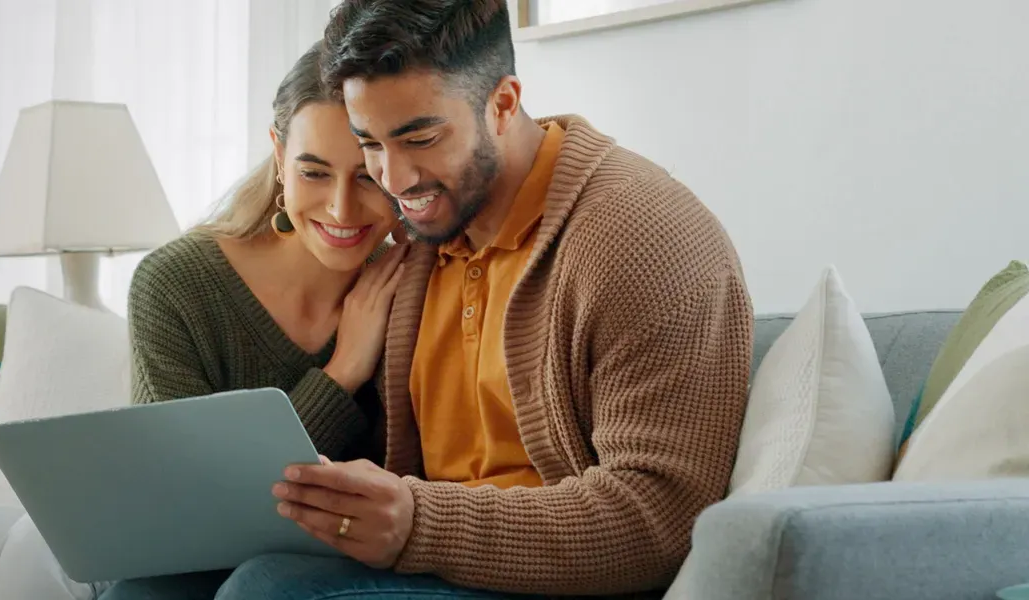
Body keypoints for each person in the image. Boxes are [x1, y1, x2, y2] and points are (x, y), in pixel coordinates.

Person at [104, 1, 755, 598]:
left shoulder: (638, 236)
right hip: (427, 565)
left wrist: (420, 523)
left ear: (503, 104)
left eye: (418, 139)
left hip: (560, 581)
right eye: (369, 143)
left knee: (269, 589)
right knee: (146, 590)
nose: (393, 179)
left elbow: (661, 519)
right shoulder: (420, 238)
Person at [0, 46, 412, 600]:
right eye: (314, 172)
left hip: (278, 551)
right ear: (279, 156)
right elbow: (184, 497)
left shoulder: (411, 288)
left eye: (368, 177)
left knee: (37, 553)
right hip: (159, 518)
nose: (343, 209)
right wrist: (342, 370)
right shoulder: (178, 282)